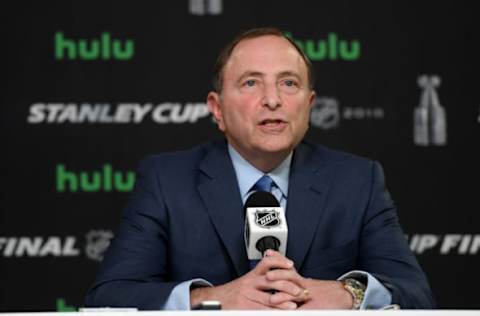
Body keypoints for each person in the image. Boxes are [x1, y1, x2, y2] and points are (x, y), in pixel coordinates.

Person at [85, 27, 435, 310]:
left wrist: (348, 294)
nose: (272, 99)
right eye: (251, 82)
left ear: (309, 104)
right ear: (217, 108)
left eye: (289, 83)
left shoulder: (357, 180)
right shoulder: (167, 181)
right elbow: (109, 297)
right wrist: (214, 299)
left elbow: (416, 294)